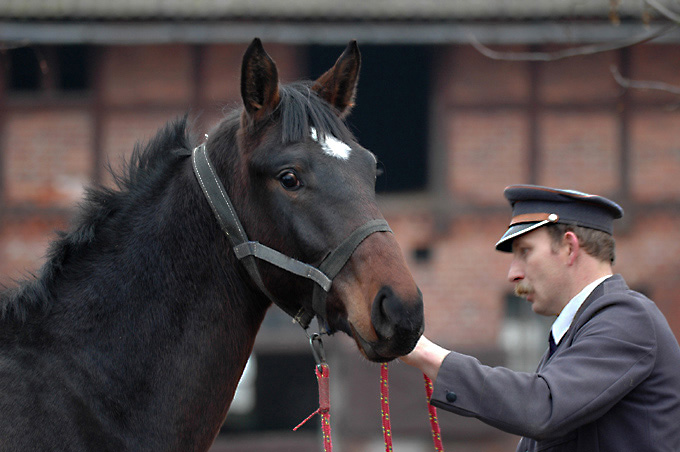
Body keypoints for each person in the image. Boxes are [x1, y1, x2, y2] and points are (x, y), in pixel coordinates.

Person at [401, 184, 680, 452]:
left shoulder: (627, 317)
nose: (513, 274)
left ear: (570, 247)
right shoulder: (579, 331)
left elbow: (542, 407)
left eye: (525, 252)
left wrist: (424, 352)